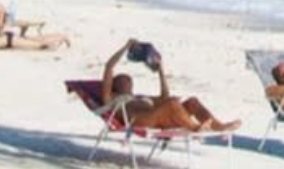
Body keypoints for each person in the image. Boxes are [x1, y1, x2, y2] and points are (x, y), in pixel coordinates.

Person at [101, 39, 240, 132]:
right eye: (124, 80)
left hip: (158, 118)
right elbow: (109, 67)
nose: (128, 82)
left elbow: (164, 97)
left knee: (192, 102)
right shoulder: (112, 99)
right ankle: (196, 128)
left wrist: (160, 68)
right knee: (172, 104)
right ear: (115, 85)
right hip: (140, 121)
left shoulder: (138, 97)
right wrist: (126, 47)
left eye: (129, 80)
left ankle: (219, 126)